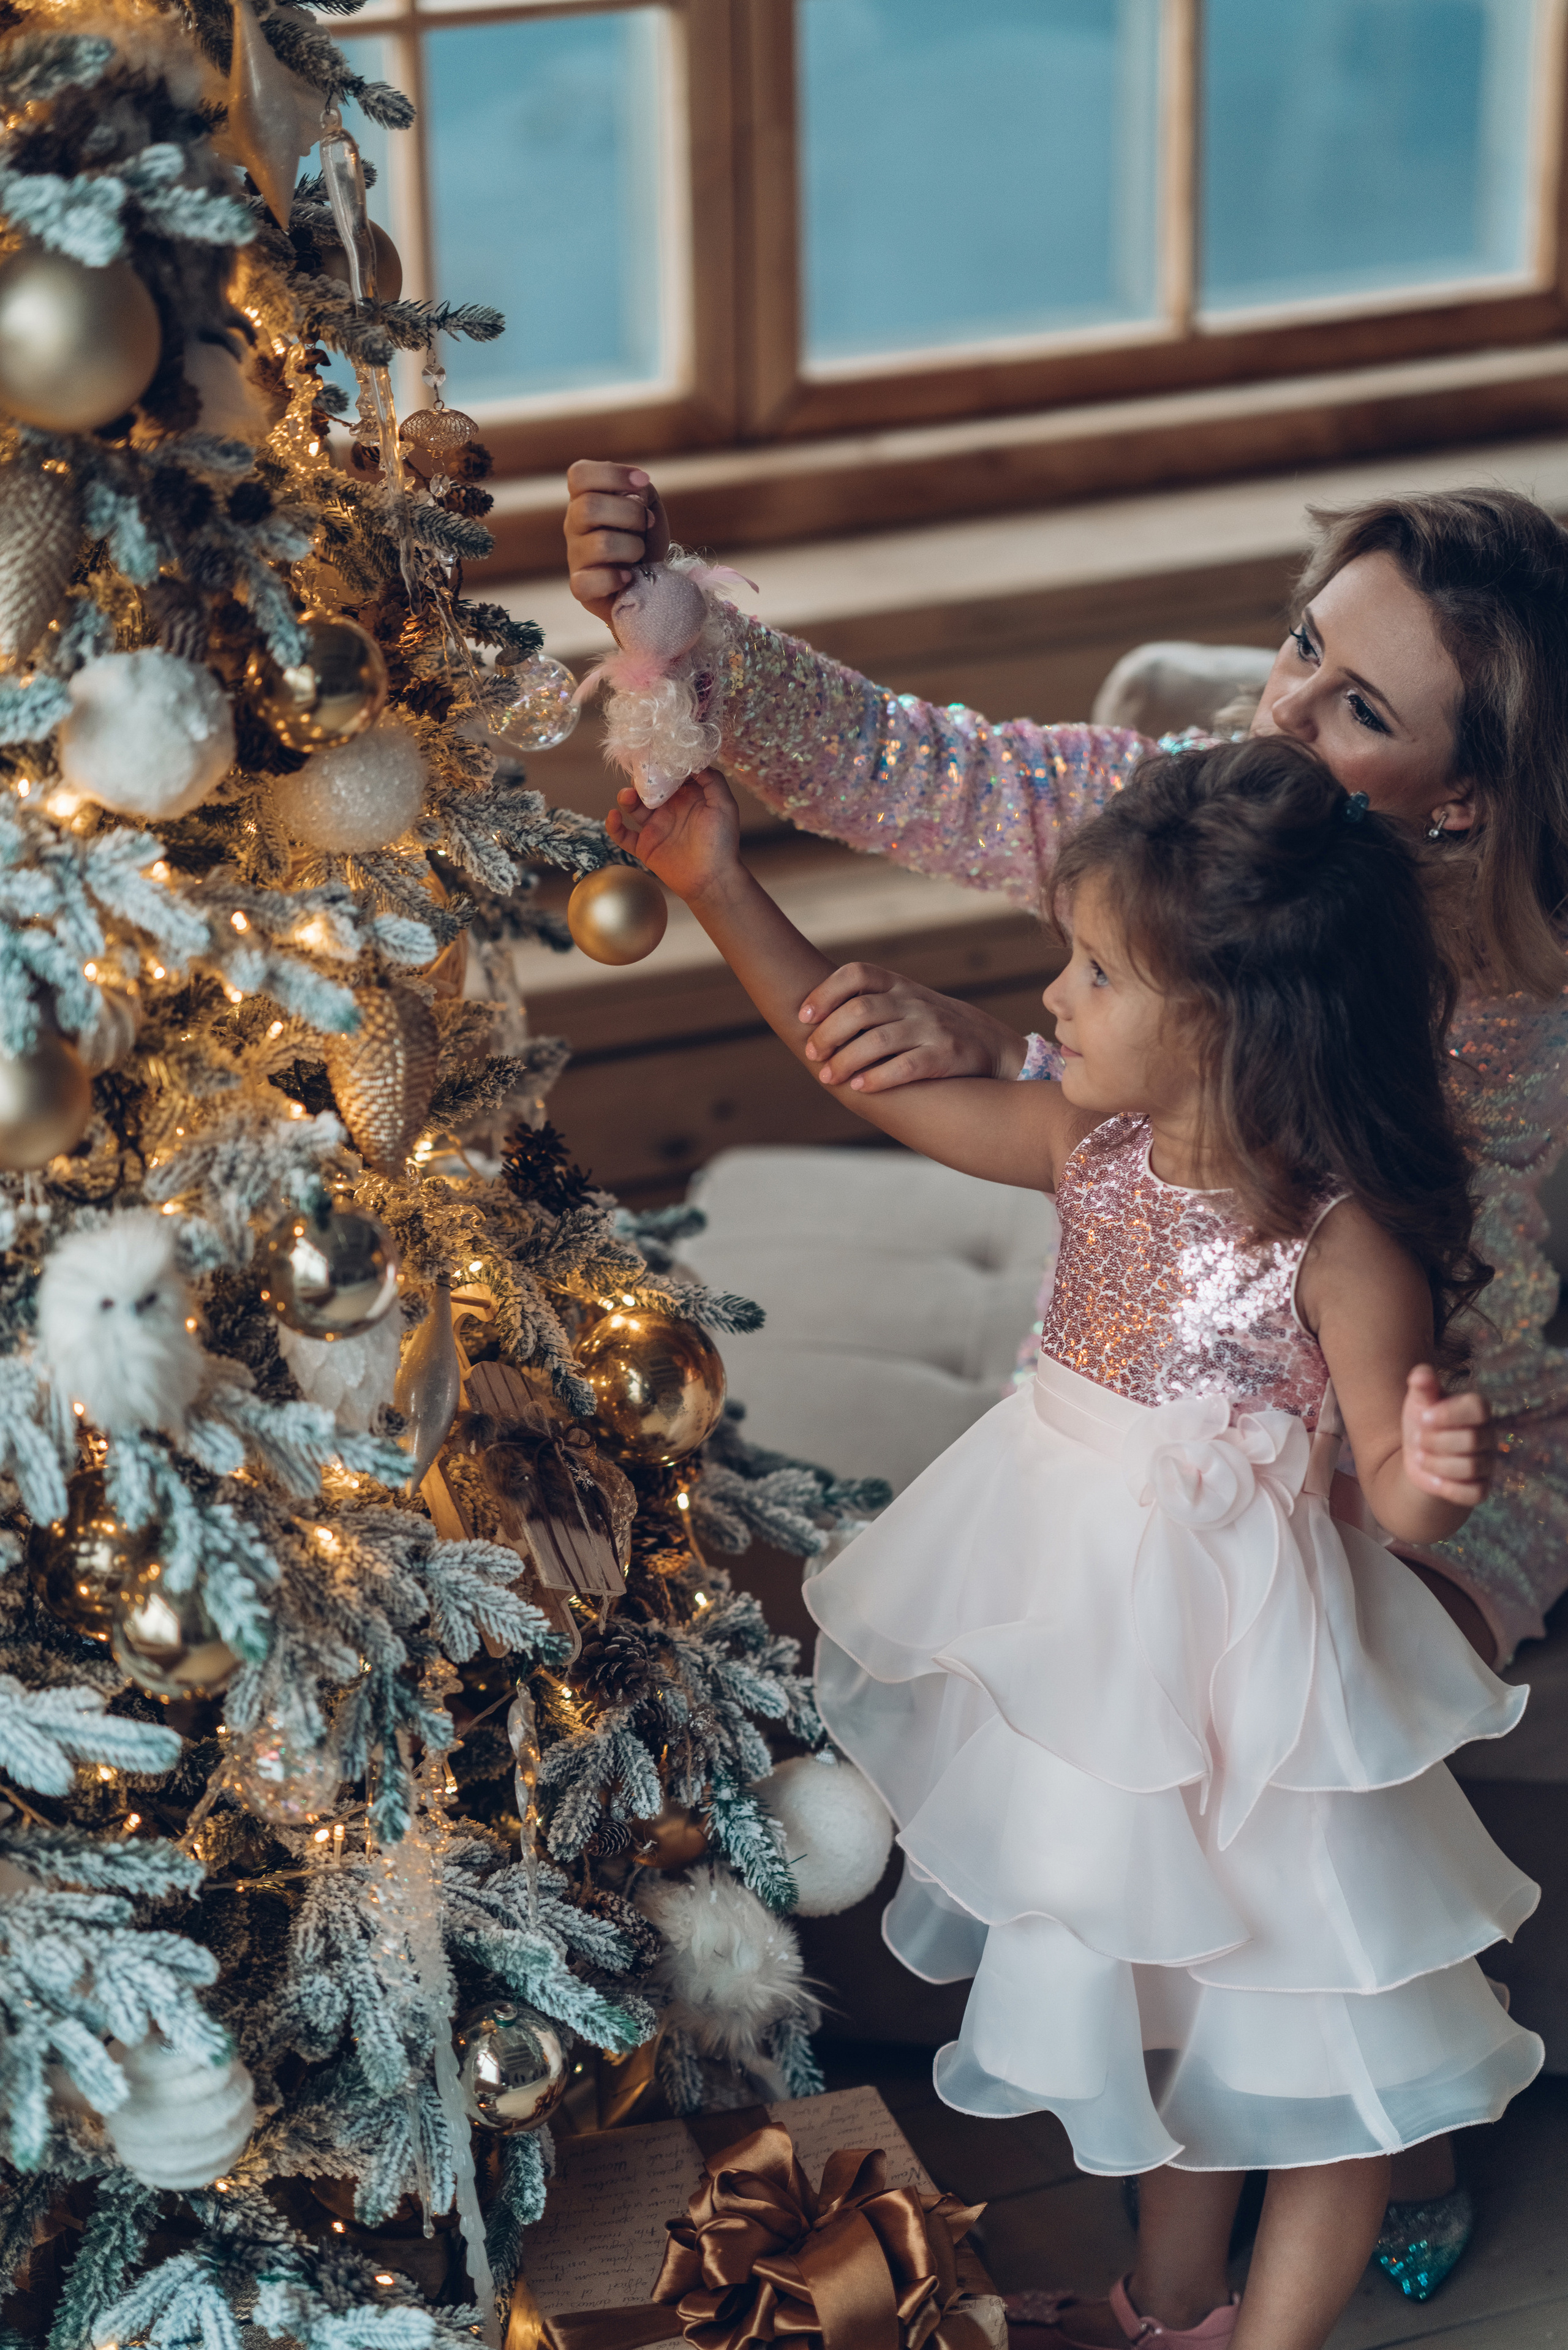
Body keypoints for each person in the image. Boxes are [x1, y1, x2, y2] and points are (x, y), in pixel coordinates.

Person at [565, 470, 1568, 2291]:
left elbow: (1420, 1372)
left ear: (1472, 792)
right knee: (1100, 1733)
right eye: (1298, 649)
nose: (1283, 711)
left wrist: (1396, 1505)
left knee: (1310, 1749)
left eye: (1360, 709)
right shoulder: (1194, 821)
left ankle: (1378, 2109)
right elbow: (910, 764)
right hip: (1150, 1407)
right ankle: (1189, 2163)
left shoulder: (1510, 1026)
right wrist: (679, 634)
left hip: (1425, 1427)